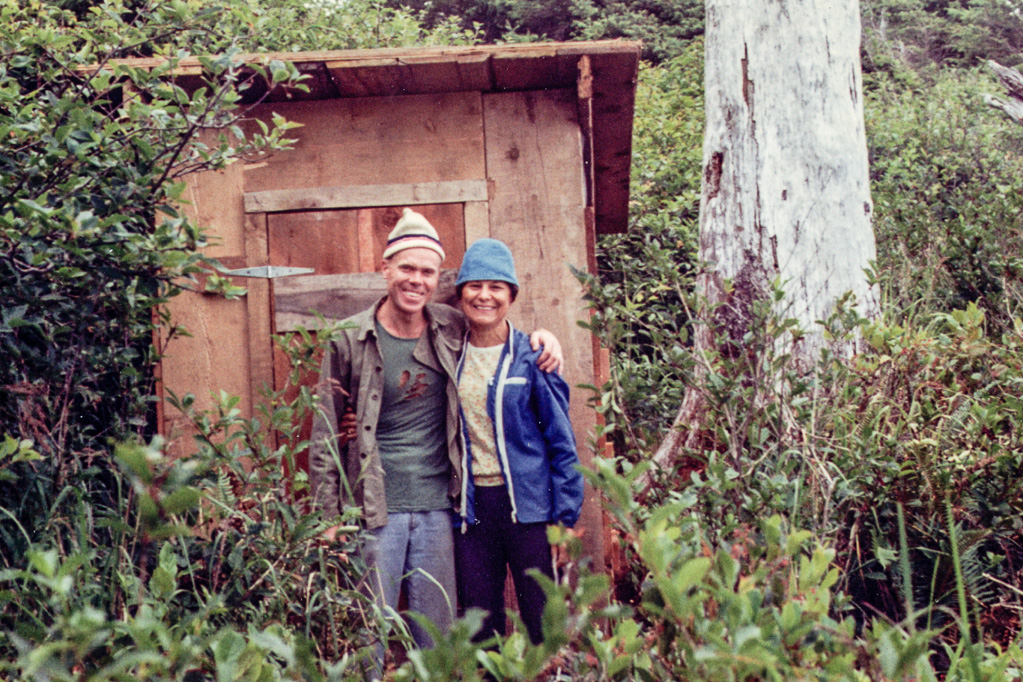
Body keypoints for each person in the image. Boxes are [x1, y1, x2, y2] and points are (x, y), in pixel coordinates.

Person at [308, 209, 562, 656]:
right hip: (373, 509)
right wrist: (328, 520)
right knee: (367, 633)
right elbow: (325, 434)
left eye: (427, 272)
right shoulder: (349, 339)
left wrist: (544, 337)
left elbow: (498, 326)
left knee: (438, 636)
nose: (416, 281)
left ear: (437, 279)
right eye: (406, 268)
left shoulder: (450, 326)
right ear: (384, 268)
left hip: (443, 510)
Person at [453, 238, 584, 645]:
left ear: (511, 295)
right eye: (475, 285)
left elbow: (562, 445)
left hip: (528, 510)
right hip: (471, 512)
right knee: (480, 622)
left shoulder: (533, 356)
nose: (484, 296)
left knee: (542, 619)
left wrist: (565, 519)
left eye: (496, 286)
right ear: (460, 293)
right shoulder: (447, 352)